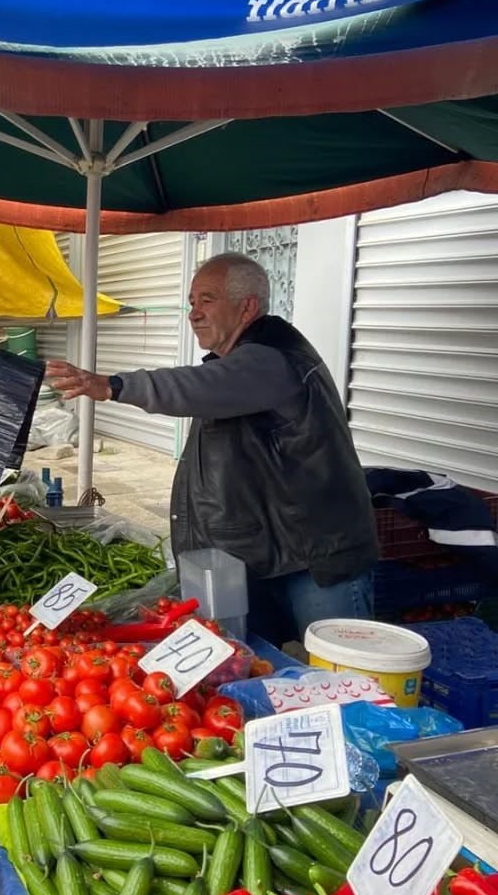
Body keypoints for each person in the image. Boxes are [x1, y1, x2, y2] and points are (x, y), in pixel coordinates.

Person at [47, 252, 379, 647]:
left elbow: (197, 386)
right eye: (191, 302)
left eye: (207, 300)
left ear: (247, 307)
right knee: (264, 667)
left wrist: (113, 385)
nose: (194, 314)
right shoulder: (240, 362)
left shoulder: (273, 358)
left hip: (318, 557)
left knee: (346, 675)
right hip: (271, 555)